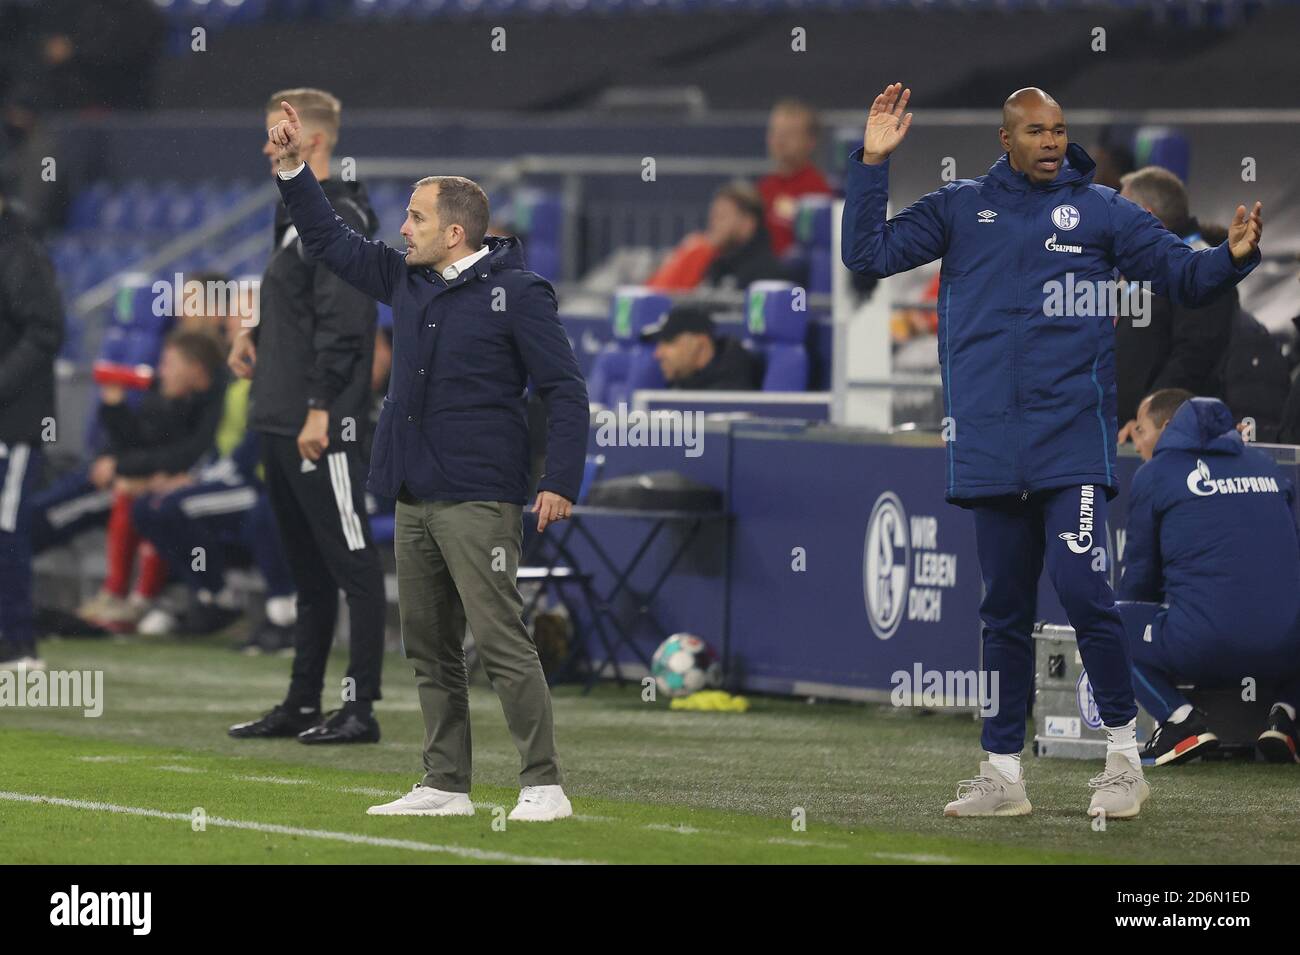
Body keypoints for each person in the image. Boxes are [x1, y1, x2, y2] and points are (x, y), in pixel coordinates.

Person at [842, 83, 1263, 819]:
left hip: (1070, 441)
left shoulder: (1101, 210)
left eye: (1060, 130)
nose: (1051, 141)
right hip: (988, 448)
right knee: (1001, 611)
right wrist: (872, 162)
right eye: (1035, 130)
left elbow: (1184, 275)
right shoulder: (959, 208)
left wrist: (1230, 256)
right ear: (1005, 139)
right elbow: (866, 253)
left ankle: (1126, 759)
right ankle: (1003, 772)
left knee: (1083, 594)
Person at [268, 100, 588, 820]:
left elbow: (565, 390)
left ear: (453, 232)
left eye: (414, 217)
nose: (401, 227)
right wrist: (292, 168)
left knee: (501, 639)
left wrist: (561, 479)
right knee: (429, 646)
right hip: (413, 489)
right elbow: (328, 239)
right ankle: (446, 782)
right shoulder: (405, 277)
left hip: (482, 495)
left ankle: (543, 782)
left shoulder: (519, 293)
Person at [227, 88, 387, 745]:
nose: (269, 148)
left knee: (353, 562)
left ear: (312, 140)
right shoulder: (292, 215)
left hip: (322, 423)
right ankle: (301, 700)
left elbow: (346, 325)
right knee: (308, 572)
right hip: (280, 414)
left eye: (279, 135)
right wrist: (255, 334)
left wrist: (321, 408)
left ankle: (361, 707)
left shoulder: (341, 217)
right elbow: (299, 305)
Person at [1119, 392, 1300, 765]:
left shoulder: (1155, 474)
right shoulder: (1268, 466)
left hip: (1202, 644)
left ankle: (1180, 721)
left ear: (1169, 429)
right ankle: (1286, 715)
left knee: (1105, 624)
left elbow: (1139, 578)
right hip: (1285, 647)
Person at [131, 281, 298, 650]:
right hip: (227, 478)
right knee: (148, 505)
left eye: (240, 314)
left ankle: (243, 604)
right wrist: (192, 476)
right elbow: (218, 442)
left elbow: (251, 450)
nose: (229, 323)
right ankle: (212, 592)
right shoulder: (235, 374)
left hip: (256, 483)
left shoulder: (276, 372)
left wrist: (194, 481)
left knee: (172, 505)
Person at [37, 330, 227, 631]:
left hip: (189, 484)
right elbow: (139, 442)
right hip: (142, 476)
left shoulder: (213, 401)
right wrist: (114, 409)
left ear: (195, 369)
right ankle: (118, 594)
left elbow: (187, 454)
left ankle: (146, 598)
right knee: (126, 495)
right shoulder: (164, 397)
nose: (161, 371)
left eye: (169, 364)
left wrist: (123, 468)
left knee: (148, 501)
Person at [1114, 167, 1233, 435]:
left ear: (1145, 215)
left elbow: (1194, 354)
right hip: (1124, 435)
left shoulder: (1201, 267)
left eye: (1118, 214)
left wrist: (1150, 419)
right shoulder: (1138, 266)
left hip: (1169, 437)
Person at [0, 187, 64, 670]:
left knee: (6, 528)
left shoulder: (20, 251)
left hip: (15, 423)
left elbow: (45, 330)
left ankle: (18, 639)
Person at [646, 181, 792, 292]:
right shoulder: (715, 263)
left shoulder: (766, 273)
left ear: (748, 223)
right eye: (713, 217)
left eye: (722, 217)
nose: (713, 224)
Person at [758, 98, 834, 257]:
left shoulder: (818, 192)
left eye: (790, 133)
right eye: (775, 132)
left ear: (810, 141)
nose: (780, 140)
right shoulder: (763, 189)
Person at [642, 303, 759, 390]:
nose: (658, 354)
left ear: (701, 344)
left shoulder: (728, 397)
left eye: (669, 342)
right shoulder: (687, 380)